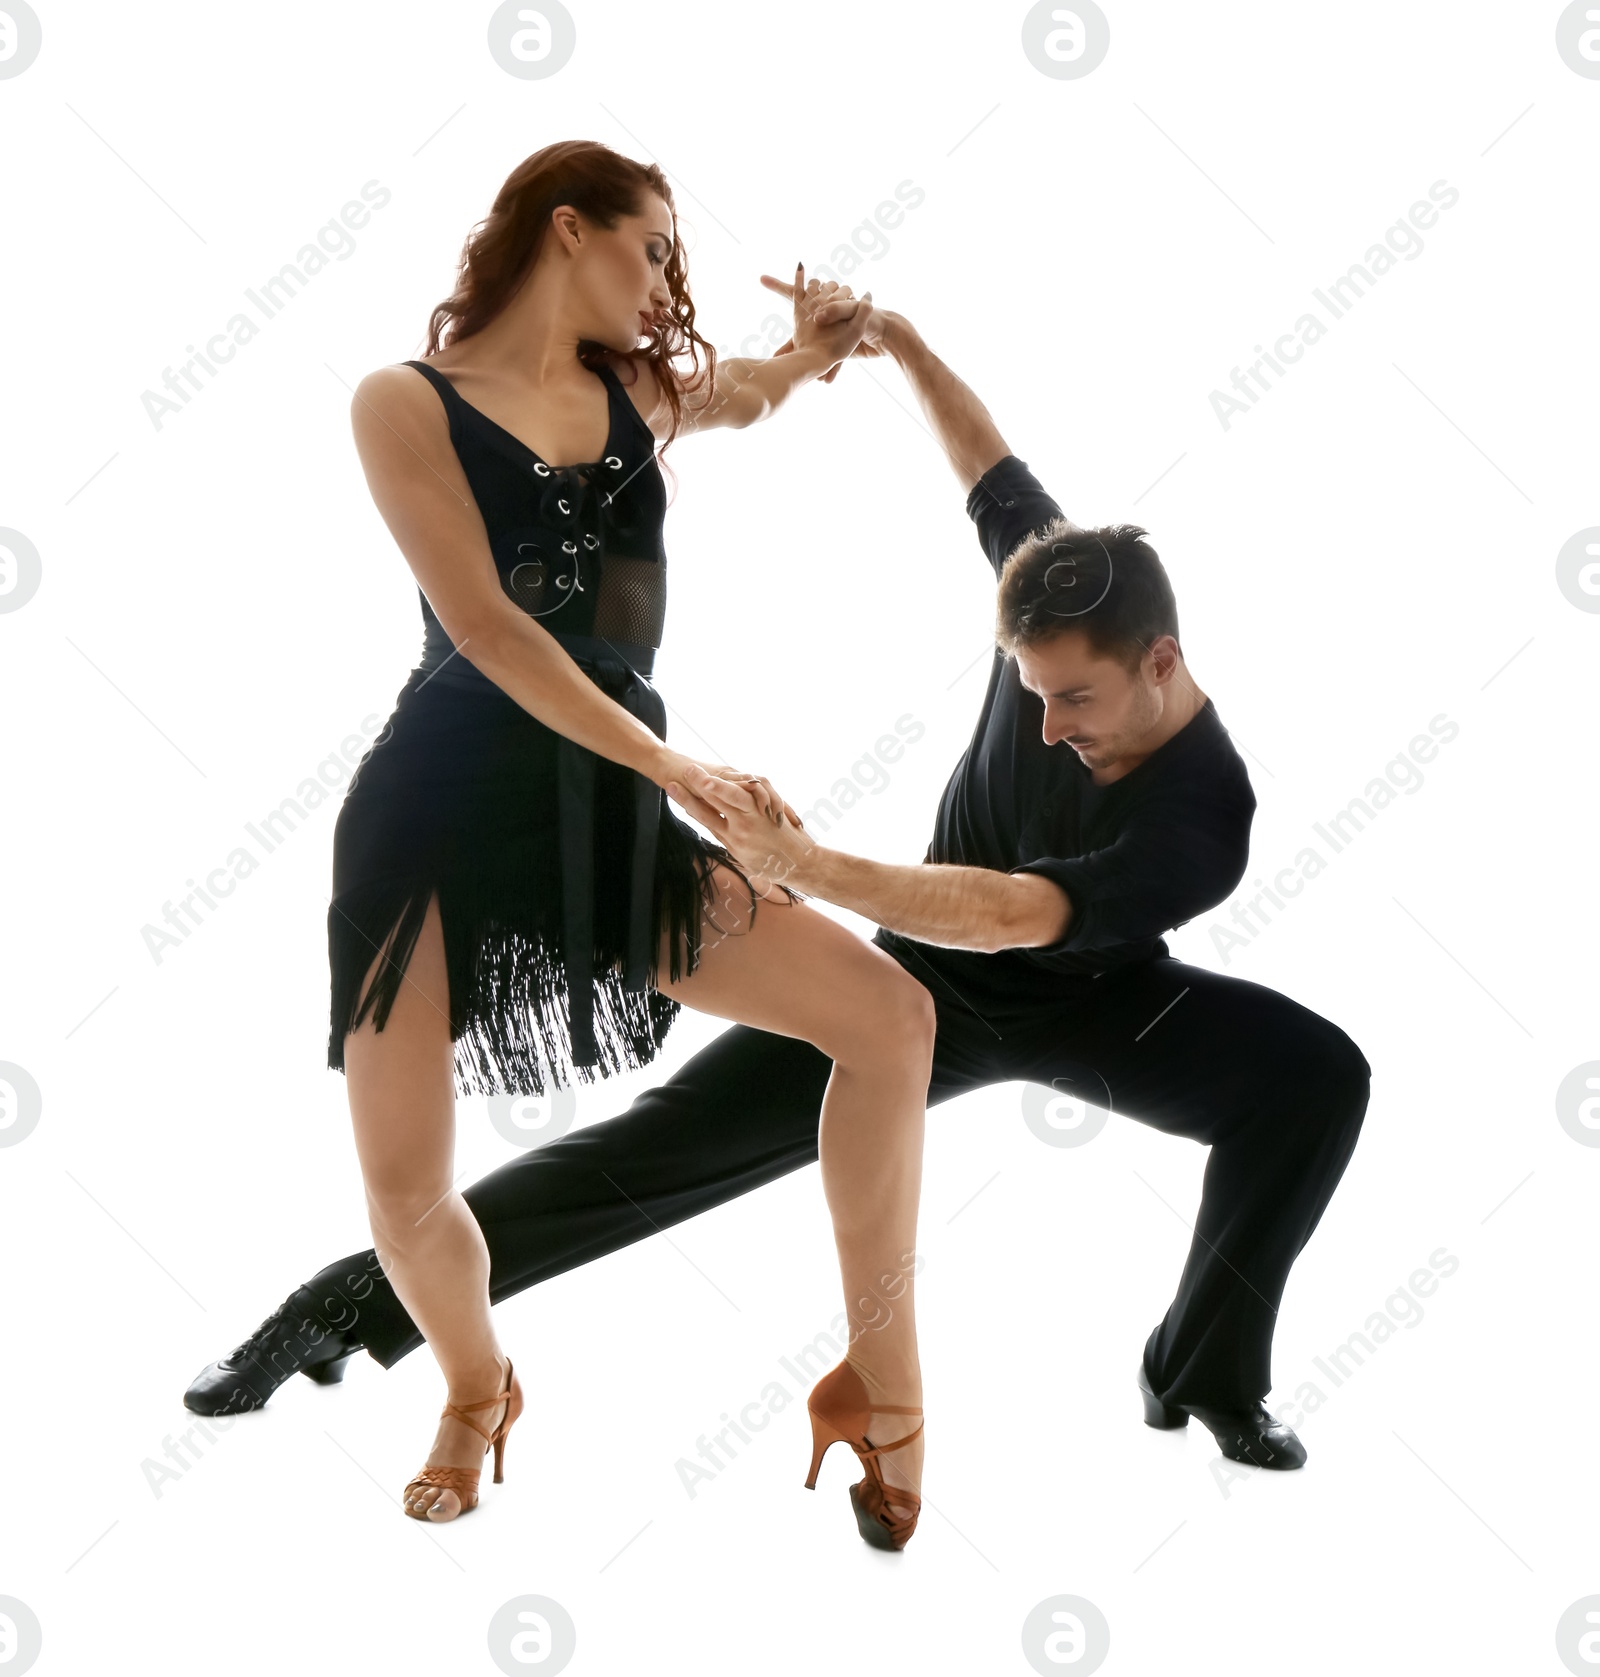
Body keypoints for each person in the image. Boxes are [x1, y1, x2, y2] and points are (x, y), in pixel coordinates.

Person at [187, 279, 1372, 1488]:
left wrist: (804, 867)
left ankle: (1205, 1375)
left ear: (1160, 663)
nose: (1048, 723)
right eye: (1031, 693)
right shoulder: (1065, 594)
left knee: (1315, 1081)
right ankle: (343, 1309)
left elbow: (1016, 914)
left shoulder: (1208, 812)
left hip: (1096, 996)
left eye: (1076, 702)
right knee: (648, 1158)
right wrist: (901, 341)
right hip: (929, 979)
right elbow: (983, 458)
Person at [282, 140, 937, 1543]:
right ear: (567, 230)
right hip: (438, 818)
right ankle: (475, 1384)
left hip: (608, 822)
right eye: (650, 251)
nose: (663, 287)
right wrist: (672, 760)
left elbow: (748, 394)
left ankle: (883, 1382)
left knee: (889, 1017)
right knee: (404, 1195)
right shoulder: (401, 403)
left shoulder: (640, 395)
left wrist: (811, 350)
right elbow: (488, 627)